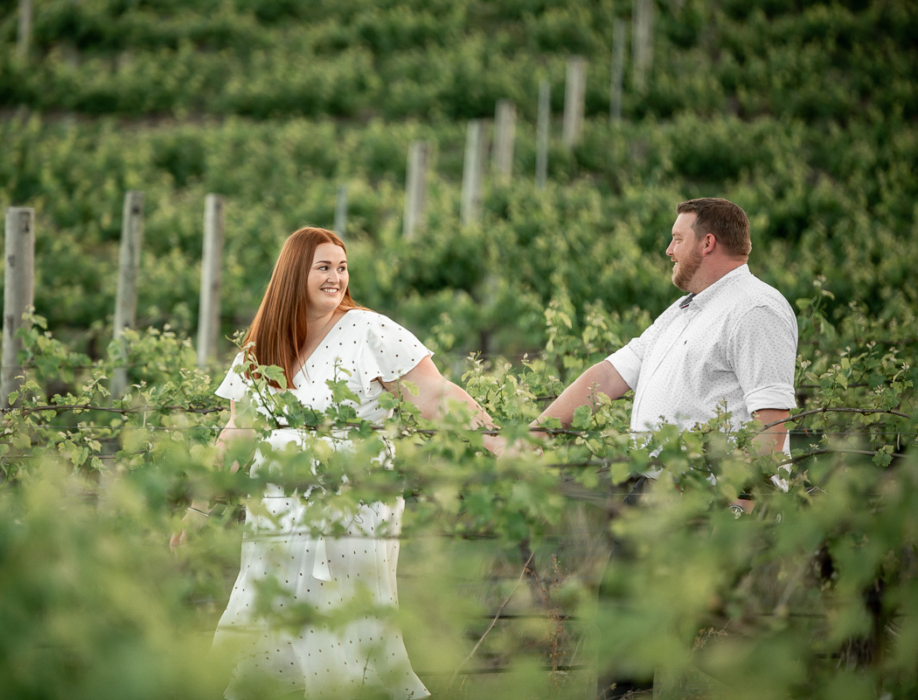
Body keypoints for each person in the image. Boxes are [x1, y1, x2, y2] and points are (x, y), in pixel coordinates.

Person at [175, 226, 506, 700]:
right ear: (294, 274)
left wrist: (497, 442)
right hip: (275, 514)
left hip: (354, 508)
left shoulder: (370, 330)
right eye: (324, 267)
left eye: (342, 267)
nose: (336, 278)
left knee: (348, 635)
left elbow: (436, 395)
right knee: (261, 628)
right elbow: (238, 432)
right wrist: (199, 507)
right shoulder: (264, 345)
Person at [531, 197, 798, 698]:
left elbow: (772, 418)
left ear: (707, 242)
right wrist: (538, 431)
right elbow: (609, 375)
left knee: (702, 638)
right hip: (656, 495)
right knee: (627, 631)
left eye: (677, 238)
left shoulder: (756, 309)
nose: (667, 249)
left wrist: (739, 510)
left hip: (708, 503)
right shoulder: (681, 312)